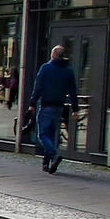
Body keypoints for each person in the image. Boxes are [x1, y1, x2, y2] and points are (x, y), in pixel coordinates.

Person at [28, 44, 79, 174]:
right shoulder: (68, 70)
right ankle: (46, 163)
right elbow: (72, 91)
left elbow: (38, 86)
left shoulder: (46, 68)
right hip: (59, 107)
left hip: (46, 105)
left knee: (42, 134)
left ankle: (53, 156)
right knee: (51, 135)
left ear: (54, 55)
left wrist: (32, 103)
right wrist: (75, 108)